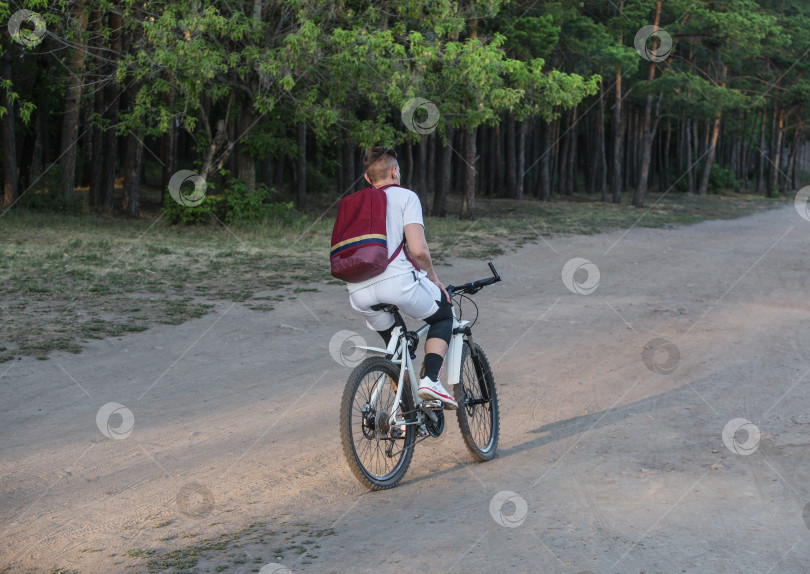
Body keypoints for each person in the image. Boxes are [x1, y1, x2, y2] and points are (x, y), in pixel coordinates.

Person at [345, 146, 457, 409]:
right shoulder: (406, 197)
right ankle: (431, 379)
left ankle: (404, 414)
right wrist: (433, 279)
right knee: (443, 315)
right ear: (395, 172)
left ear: (367, 178)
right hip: (396, 285)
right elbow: (418, 251)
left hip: (357, 292)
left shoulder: (355, 204)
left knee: (397, 347)